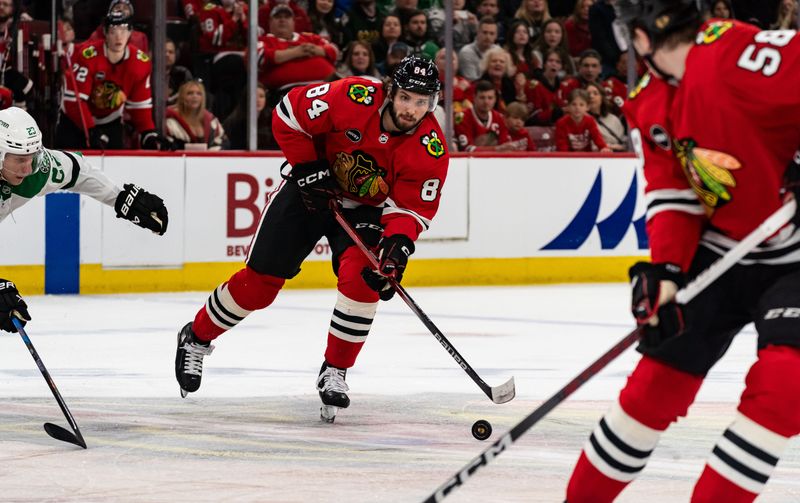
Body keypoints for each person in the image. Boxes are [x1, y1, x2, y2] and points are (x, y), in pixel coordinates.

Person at [565, 3, 800, 502]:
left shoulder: (736, 51)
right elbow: (673, 194)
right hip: (721, 249)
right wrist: (666, 270)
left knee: (784, 387)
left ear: (642, 36)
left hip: (795, 254)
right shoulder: (647, 101)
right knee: (653, 390)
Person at [173, 56, 449, 424]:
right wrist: (307, 166)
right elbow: (288, 113)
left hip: (366, 211)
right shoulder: (352, 96)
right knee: (259, 286)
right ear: (390, 91)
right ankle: (196, 337)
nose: (412, 109)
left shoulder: (430, 148)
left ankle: (335, 370)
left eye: (421, 102)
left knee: (364, 279)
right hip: (308, 192)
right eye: (405, 98)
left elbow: (410, 209)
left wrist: (397, 248)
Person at [0, 107, 168, 334]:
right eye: (20, 160)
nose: (28, 168)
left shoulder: (35, 171)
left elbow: (78, 171)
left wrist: (120, 199)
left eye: (32, 157)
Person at [57, 11, 165, 150]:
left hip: (110, 121)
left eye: (123, 30)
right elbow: (74, 101)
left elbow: (139, 106)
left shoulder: (140, 62)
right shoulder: (88, 55)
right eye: (113, 31)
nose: (118, 36)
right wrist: (90, 130)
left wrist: (148, 133)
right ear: (105, 33)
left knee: (114, 168)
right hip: (75, 122)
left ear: (130, 32)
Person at [257, 4, 338, 92]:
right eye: (278, 17)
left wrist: (316, 50)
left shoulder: (309, 37)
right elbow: (260, 57)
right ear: (270, 22)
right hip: (287, 91)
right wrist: (297, 52)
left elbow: (334, 50)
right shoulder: (264, 40)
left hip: (327, 86)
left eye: (287, 17)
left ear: (294, 22)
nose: (282, 20)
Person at [455, 80, 522, 152]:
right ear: (474, 98)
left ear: (495, 99)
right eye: (482, 97)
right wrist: (496, 149)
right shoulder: (462, 117)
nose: (486, 102)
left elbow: (505, 145)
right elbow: (466, 149)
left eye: (490, 98)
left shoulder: (499, 118)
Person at [164, 80, 227, 151]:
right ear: (182, 97)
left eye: (199, 94)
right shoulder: (170, 122)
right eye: (190, 93)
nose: (195, 96)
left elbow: (223, 143)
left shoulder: (212, 121)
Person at [223, 82, 278, 150]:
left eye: (261, 96)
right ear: (246, 97)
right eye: (254, 96)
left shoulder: (273, 118)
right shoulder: (233, 121)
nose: (258, 100)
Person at [554, 88, 609, 152]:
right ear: (568, 106)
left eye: (581, 105)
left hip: (586, 157)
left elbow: (597, 137)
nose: (577, 108)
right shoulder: (561, 123)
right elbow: (562, 146)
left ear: (587, 107)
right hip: (568, 158)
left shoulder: (590, 121)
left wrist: (603, 147)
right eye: (574, 104)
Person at [585, 81, 626, 151]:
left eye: (595, 93)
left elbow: (625, 142)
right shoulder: (581, 120)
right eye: (588, 94)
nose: (591, 96)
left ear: (602, 98)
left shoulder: (613, 119)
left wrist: (614, 147)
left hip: (617, 157)